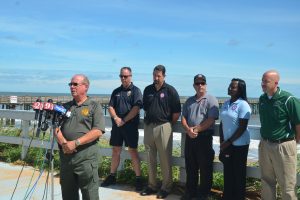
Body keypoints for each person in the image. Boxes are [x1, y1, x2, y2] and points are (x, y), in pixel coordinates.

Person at [55, 74, 105, 200]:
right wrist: (64, 144)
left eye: (75, 84)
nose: (72, 87)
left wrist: (75, 143)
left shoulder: (94, 106)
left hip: (86, 161)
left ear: (85, 86)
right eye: (70, 84)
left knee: (90, 196)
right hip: (67, 160)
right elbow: (55, 127)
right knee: (68, 196)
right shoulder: (65, 107)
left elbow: (98, 130)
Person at [140, 65, 181, 199]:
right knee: (150, 158)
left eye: (159, 76)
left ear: (164, 76)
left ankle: (166, 187)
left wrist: (168, 125)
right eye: (154, 75)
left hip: (164, 126)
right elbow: (145, 107)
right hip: (148, 126)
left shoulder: (171, 91)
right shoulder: (147, 90)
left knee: (164, 159)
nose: (156, 78)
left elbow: (176, 113)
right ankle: (152, 185)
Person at [259, 70, 300, 200]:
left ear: (276, 83)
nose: (263, 84)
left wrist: (294, 142)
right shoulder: (262, 98)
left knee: (287, 183)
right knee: (266, 180)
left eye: (266, 81)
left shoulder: (289, 99)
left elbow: (298, 123)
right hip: (265, 144)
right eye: (262, 81)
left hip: (283, 145)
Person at [101, 67, 143, 191]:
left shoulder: (136, 91)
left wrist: (124, 120)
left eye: (126, 76)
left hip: (130, 126)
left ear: (130, 76)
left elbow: (136, 108)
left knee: (133, 151)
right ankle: (112, 176)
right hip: (117, 126)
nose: (123, 78)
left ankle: (138, 178)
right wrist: (116, 118)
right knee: (115, 151)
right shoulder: (116, 91)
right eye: (121, 76)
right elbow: (110, 107)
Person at [180, 74, 219, 200]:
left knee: (205, 167)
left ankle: (203, 194)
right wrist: (188, 129)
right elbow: (184, 117)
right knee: (190, 166)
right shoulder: (189, 100)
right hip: (190, 137)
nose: (200, 85)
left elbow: (211, 119)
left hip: (204, 137)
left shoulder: (211, 99)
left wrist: (196, 129)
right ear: (194, 85)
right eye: (197, 83)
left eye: (202, 83)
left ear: (206, 84)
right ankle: (190, 192)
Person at [219, 78, 251, 200]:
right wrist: (222, 141)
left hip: (239, 145)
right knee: (228, 173)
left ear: (240, 90)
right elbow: (222, 123)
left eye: (233, 87)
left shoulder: (243, 104)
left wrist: (228, 142)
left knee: (238, 174)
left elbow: (242, 127)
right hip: (227, 144)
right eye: (230, 86)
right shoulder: (226, 103)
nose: (229, 88)